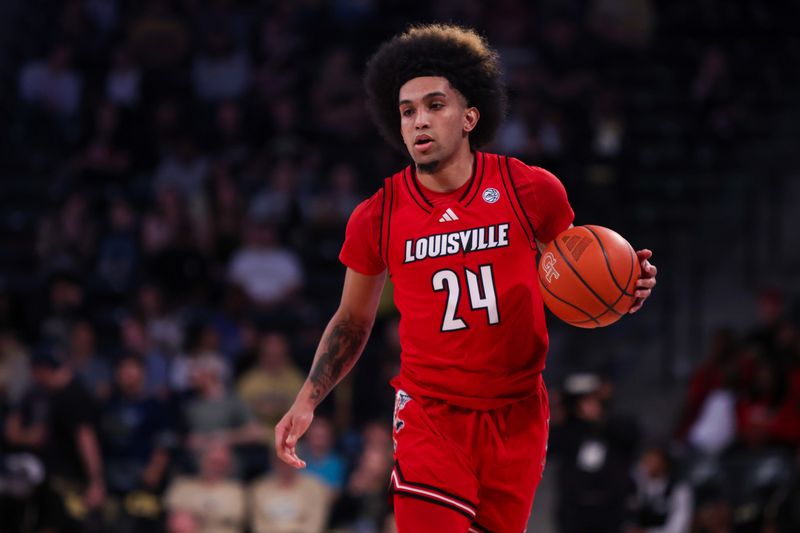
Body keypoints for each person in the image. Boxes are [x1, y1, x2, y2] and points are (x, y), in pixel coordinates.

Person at [275, 24, 657, 532]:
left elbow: (572, 276)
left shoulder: (531, 190)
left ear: (470, 116)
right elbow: (351, 320)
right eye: (407, 110)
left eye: (435, 105)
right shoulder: (378, 215)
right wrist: (307, 399)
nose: (418, 121)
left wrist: (623, 289)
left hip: (518, 412)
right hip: (432, 413)